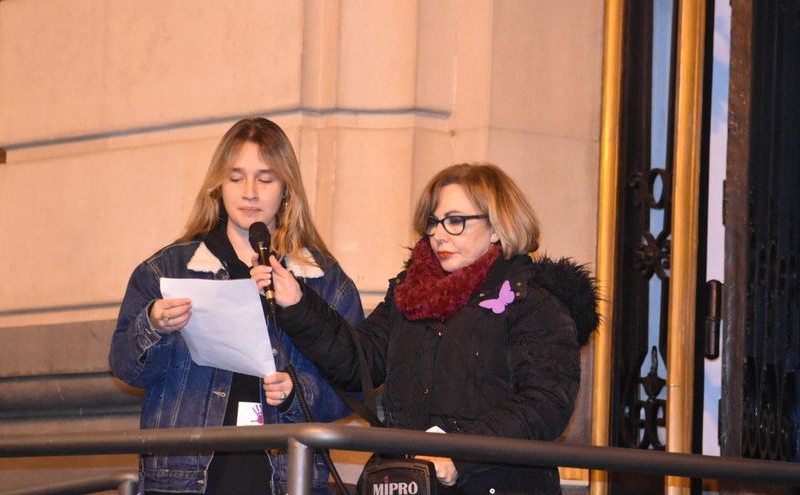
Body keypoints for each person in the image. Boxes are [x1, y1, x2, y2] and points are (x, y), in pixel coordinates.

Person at [253, 163, 598, 494]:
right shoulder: (411, 292)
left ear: (497, 227)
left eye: (456, 221)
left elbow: (545, 403)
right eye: (434, 222)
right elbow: (359, 362)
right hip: (410, 482)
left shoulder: (531, 300)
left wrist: (460, 454)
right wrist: (298, 303)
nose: (438, 235)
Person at [109, 117, 364, 495]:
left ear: (286, 190)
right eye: (236, 177)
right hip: (184, 478)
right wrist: (154, 324)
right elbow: (124, 367)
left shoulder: (321, 278)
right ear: (218, 186)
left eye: (265, 179)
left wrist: (298, 392)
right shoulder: (168, 270)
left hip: (284, 476)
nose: (250, 193)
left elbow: (356, 386)